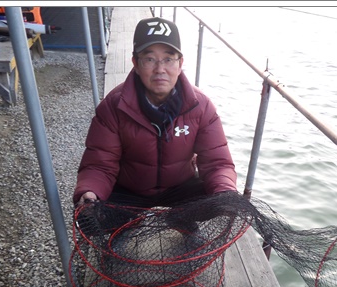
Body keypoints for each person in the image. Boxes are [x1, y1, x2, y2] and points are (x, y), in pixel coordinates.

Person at [73, 17, 237, 216]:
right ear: (135, 63)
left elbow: (217, 163)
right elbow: (99, 164)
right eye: (149, 59)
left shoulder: (201, 106)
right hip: (130, 189)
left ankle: (180, 220)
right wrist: (90, 191)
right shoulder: (112, 106)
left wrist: (225, 190)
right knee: (92, 218)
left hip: (181, 187)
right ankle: (127, 224)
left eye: (168, 59)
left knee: (219, 201)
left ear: (180, 63)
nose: (160, 69)